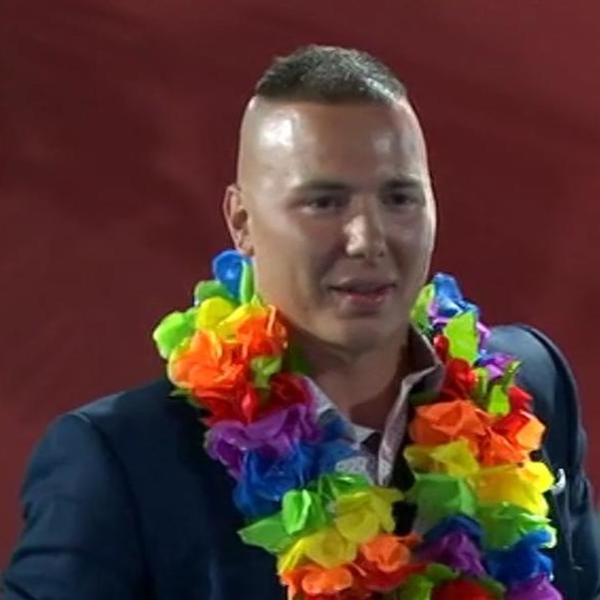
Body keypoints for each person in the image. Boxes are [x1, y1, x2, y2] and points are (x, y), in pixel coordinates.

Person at [3, 45, 599, 599]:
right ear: (242, 222)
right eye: (324, 202)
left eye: (399, 198)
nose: (368, 239)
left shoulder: (526, 390)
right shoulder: (122, 463)